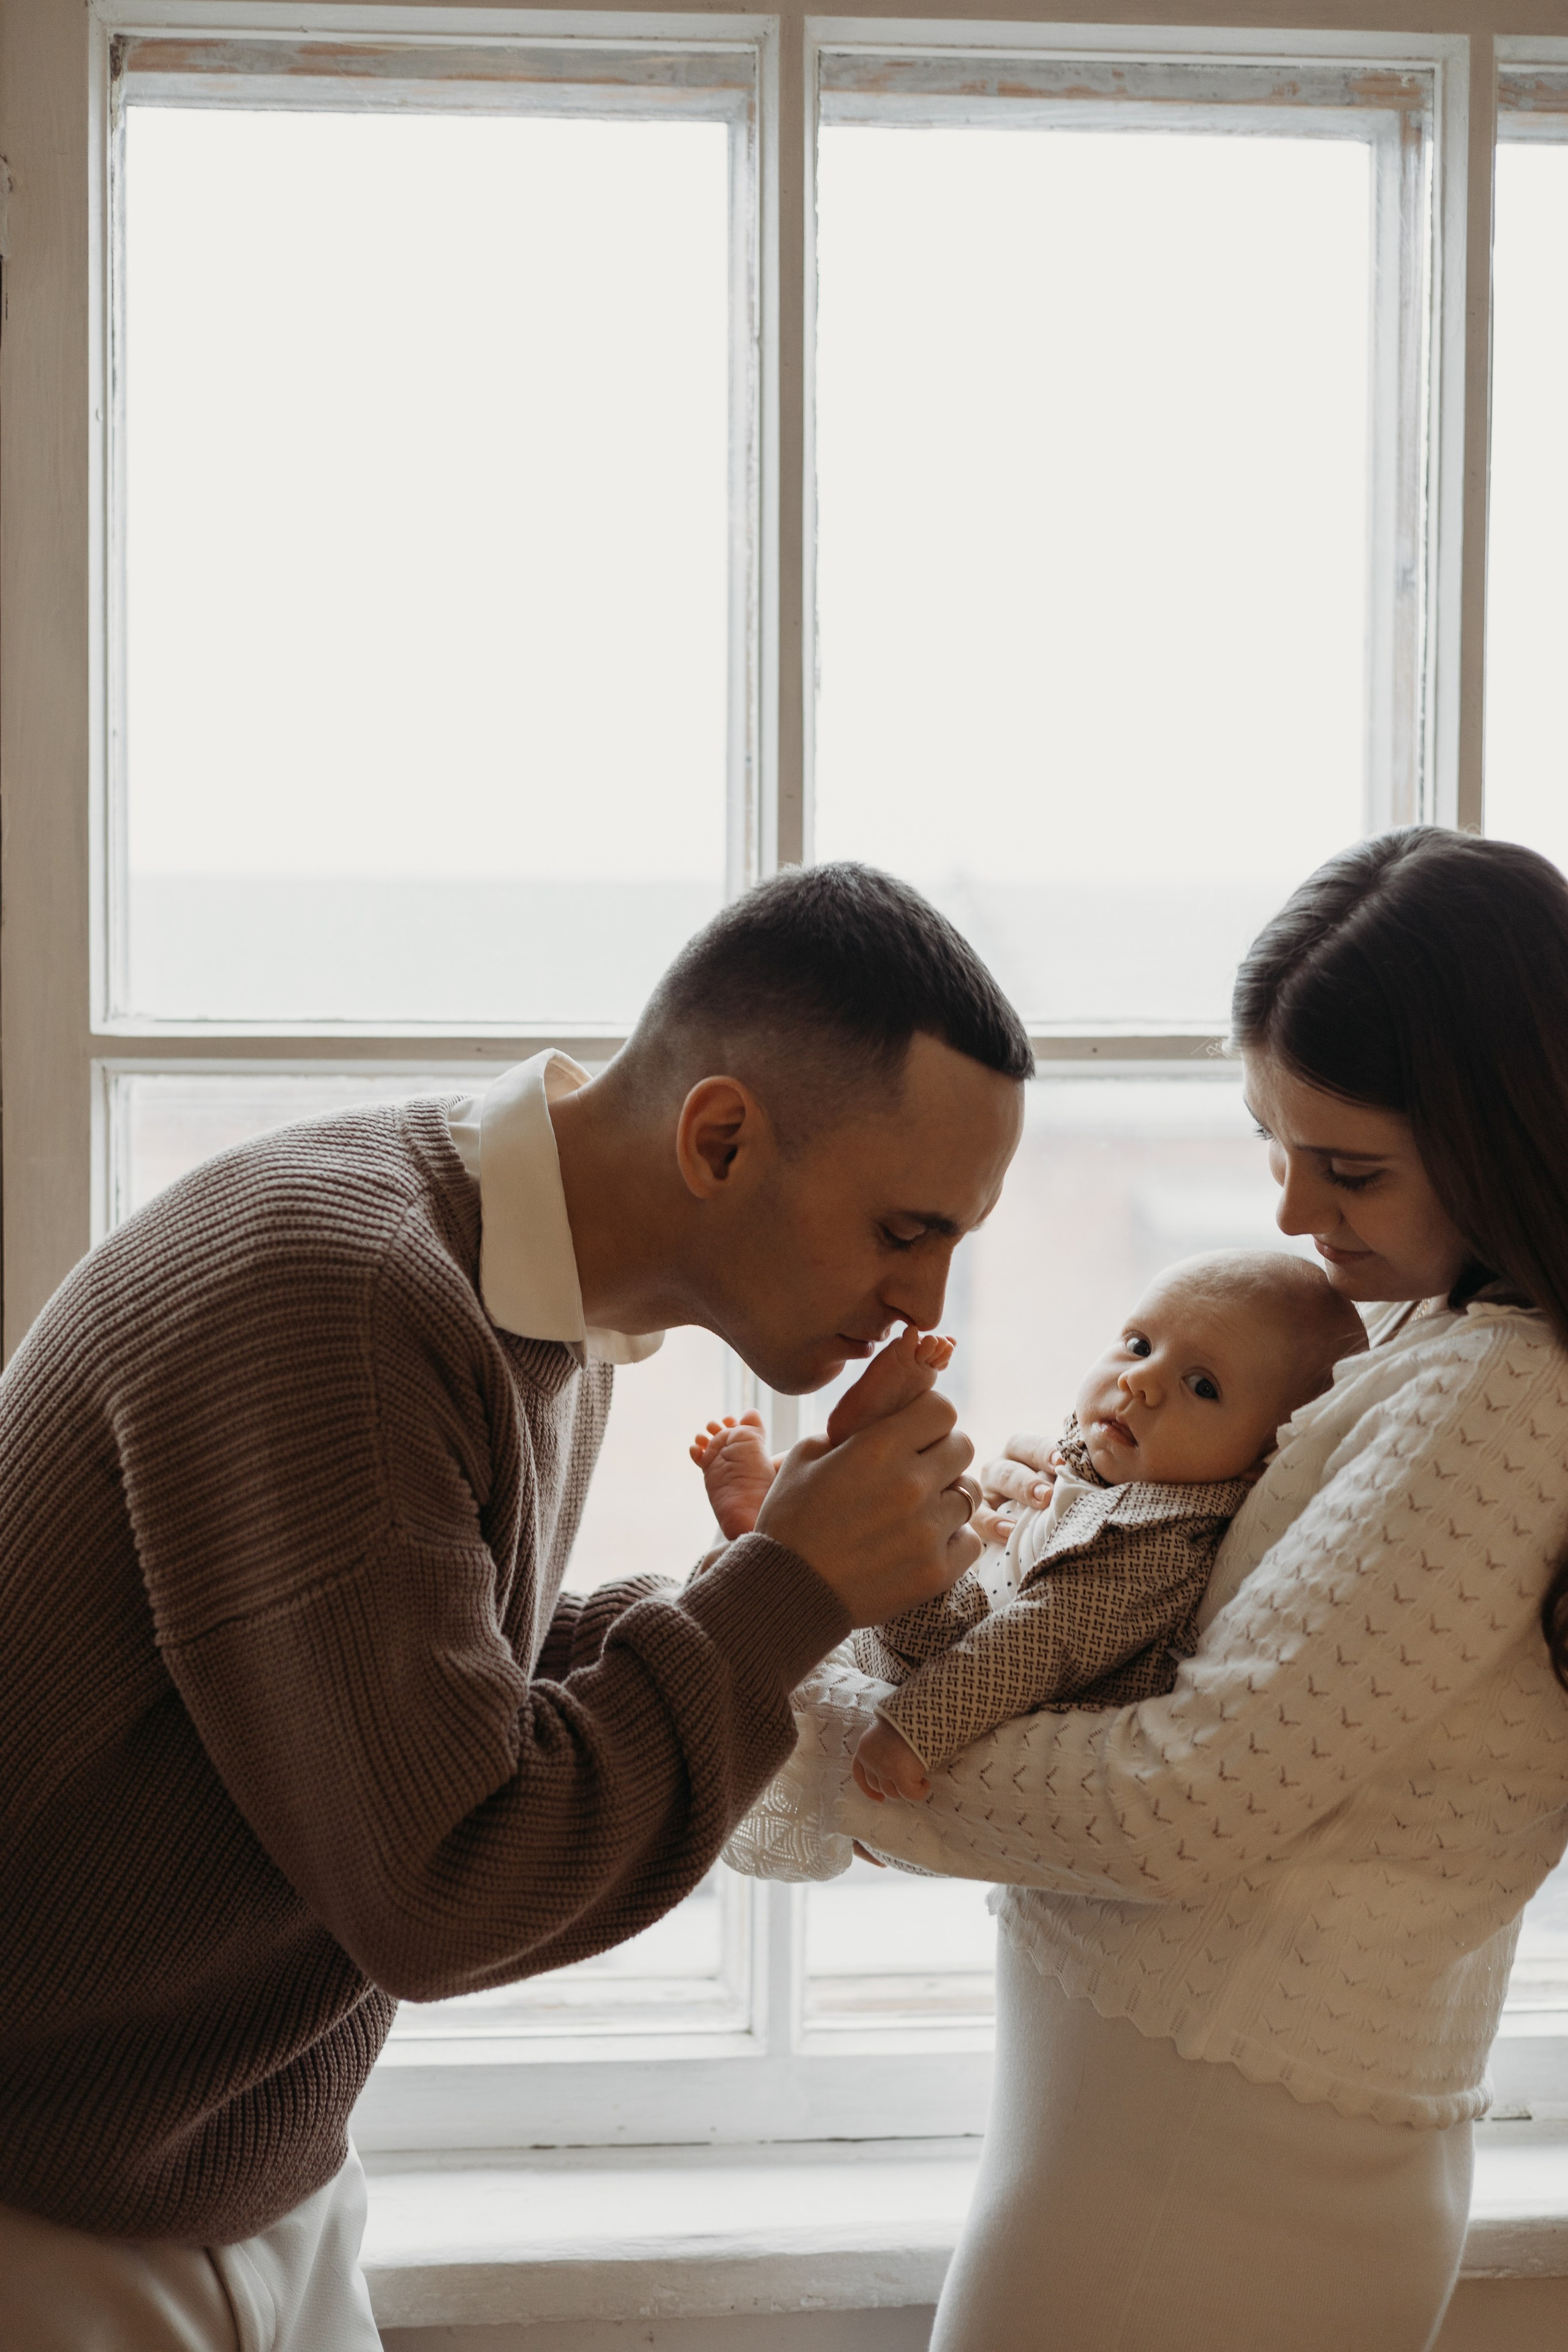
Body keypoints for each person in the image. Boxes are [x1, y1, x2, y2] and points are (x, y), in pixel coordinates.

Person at [0, 863, 1028, 2348]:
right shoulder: (344, 1293)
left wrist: (767, 1587)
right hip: (46, 2207)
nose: (924, 1302)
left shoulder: (517, 1295)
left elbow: (406, 1688)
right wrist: (785, 1587)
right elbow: (445, 1877)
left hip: (224, 2167)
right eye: (901, 1228)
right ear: (720, 1135)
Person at [725, 827, 1568, 2352]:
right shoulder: (1435, 1357)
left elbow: (1179, 1803)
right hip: (1181, 2151)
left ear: (1510, 1126)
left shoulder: (1496, 1392)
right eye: (1272, 1144)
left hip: (1209, 2186)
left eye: (1351, 1166)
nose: (1295, 1212)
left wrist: (806, 1721)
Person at [697, 1254, 1365, 1803]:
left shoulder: (1164, 1547)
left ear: (1264, 1458)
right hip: (948, 1624)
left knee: (910, 1543)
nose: (1140, 1382)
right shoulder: (1101, 1459)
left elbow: (1042, 1639)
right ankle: (805, 1508)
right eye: (1138, 1344)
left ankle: (861, 1448)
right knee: (923, 1515)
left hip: (971, 1679)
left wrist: (913, 1733)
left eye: (1202, 1386)